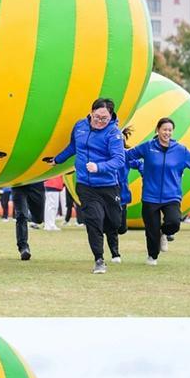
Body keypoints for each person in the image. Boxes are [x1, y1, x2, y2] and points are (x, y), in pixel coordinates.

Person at [50, 98, 125, 273]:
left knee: (115, 223)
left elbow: (119, 160)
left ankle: (112, 237)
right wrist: (57, 159)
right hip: (85, 185)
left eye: (105, 118)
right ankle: (99, 259)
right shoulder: (80, 126)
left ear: (111, 117)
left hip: (108, 185)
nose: (100, 121)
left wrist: (99, 167)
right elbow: (73, 147)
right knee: (94, 220)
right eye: (98, 117)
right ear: (91, 112)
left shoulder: (114, 133)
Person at [125, 118, 190, 266]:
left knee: (174, 223)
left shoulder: (180, 150)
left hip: (172, 195)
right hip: (150, 196)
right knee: (151, 230)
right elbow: (127, 155)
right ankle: (152, 256)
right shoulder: (147, 147)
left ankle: (165, 232)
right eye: (164, 129)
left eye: (170, 130)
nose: (167, 132)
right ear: (157, 130)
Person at [106, 126, 135, 262]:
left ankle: (107, 226)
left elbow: (139, 164)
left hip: (122, 195)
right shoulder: (104, 154)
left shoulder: (126, 155)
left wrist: (146, 174)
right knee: (112, 226)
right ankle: (115, 254)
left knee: (121, 228)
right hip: (107, 192)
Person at [11, 181, 45, 261]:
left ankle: (28, 216)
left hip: (36, 183)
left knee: (39, 218)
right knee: (21, 216)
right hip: (18, 183)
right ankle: (23, 248)